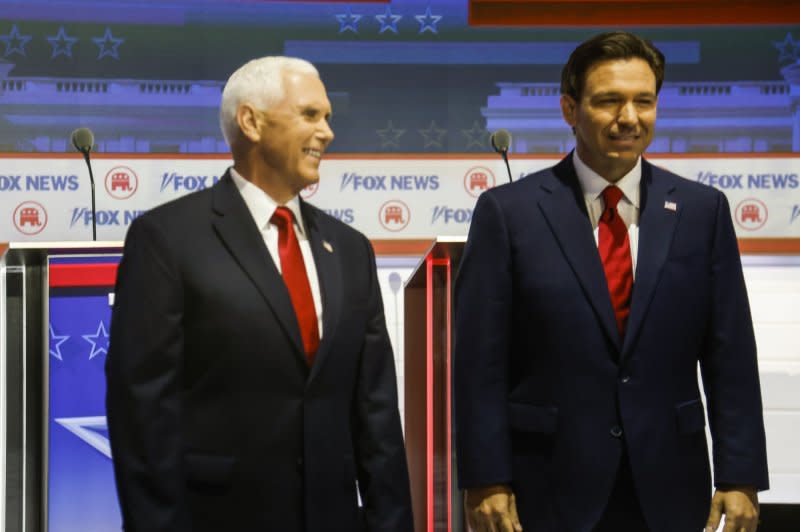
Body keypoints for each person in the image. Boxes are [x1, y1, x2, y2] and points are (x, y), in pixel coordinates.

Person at [454, 32, 768, 532]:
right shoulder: (508, 213)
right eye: (608, 101)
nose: (629, 118)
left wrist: (741, 475)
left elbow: (730, 354)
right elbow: (479, 364)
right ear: (569, 108)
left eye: (644, 101)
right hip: (547, 486)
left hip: (671, 484)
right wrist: (485, 478)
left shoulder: (702, 211)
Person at [106, 56, 413, 532]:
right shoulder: (167, 238)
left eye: (328, 117)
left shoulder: (350, 249)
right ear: (251, 121)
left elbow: (376, 411)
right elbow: (143, 413)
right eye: (310, 115)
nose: (327, 132)